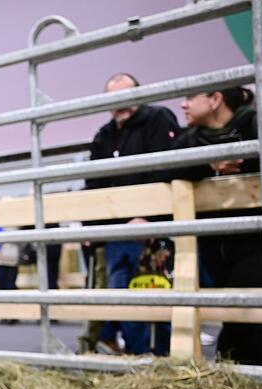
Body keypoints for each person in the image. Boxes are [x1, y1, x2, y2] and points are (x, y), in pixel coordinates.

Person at [171, 86, 262, 366]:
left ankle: (235, 368)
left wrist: (247, 158)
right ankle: (254, 377)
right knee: (238, 313)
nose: (183, 105)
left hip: (260, 236)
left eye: (191, 98)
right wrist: (210, 166)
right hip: (214, 240)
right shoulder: (189, 139)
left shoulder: (260, 125)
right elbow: (165, 171)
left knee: (244, 311)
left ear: (215, 100)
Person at [85, 73, 180, 355]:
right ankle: (134, 354)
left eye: (125, 96)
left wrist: (149, 216)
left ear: (139, 95)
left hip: (153, 228)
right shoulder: (104, 135)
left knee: (155, 289)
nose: (120, 104)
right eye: (113, 99)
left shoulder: (159, 119)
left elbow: (167, 167)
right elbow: (94, 181)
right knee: (120, 294)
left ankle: (160, 355)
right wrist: (91, 226)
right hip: (116, 231)